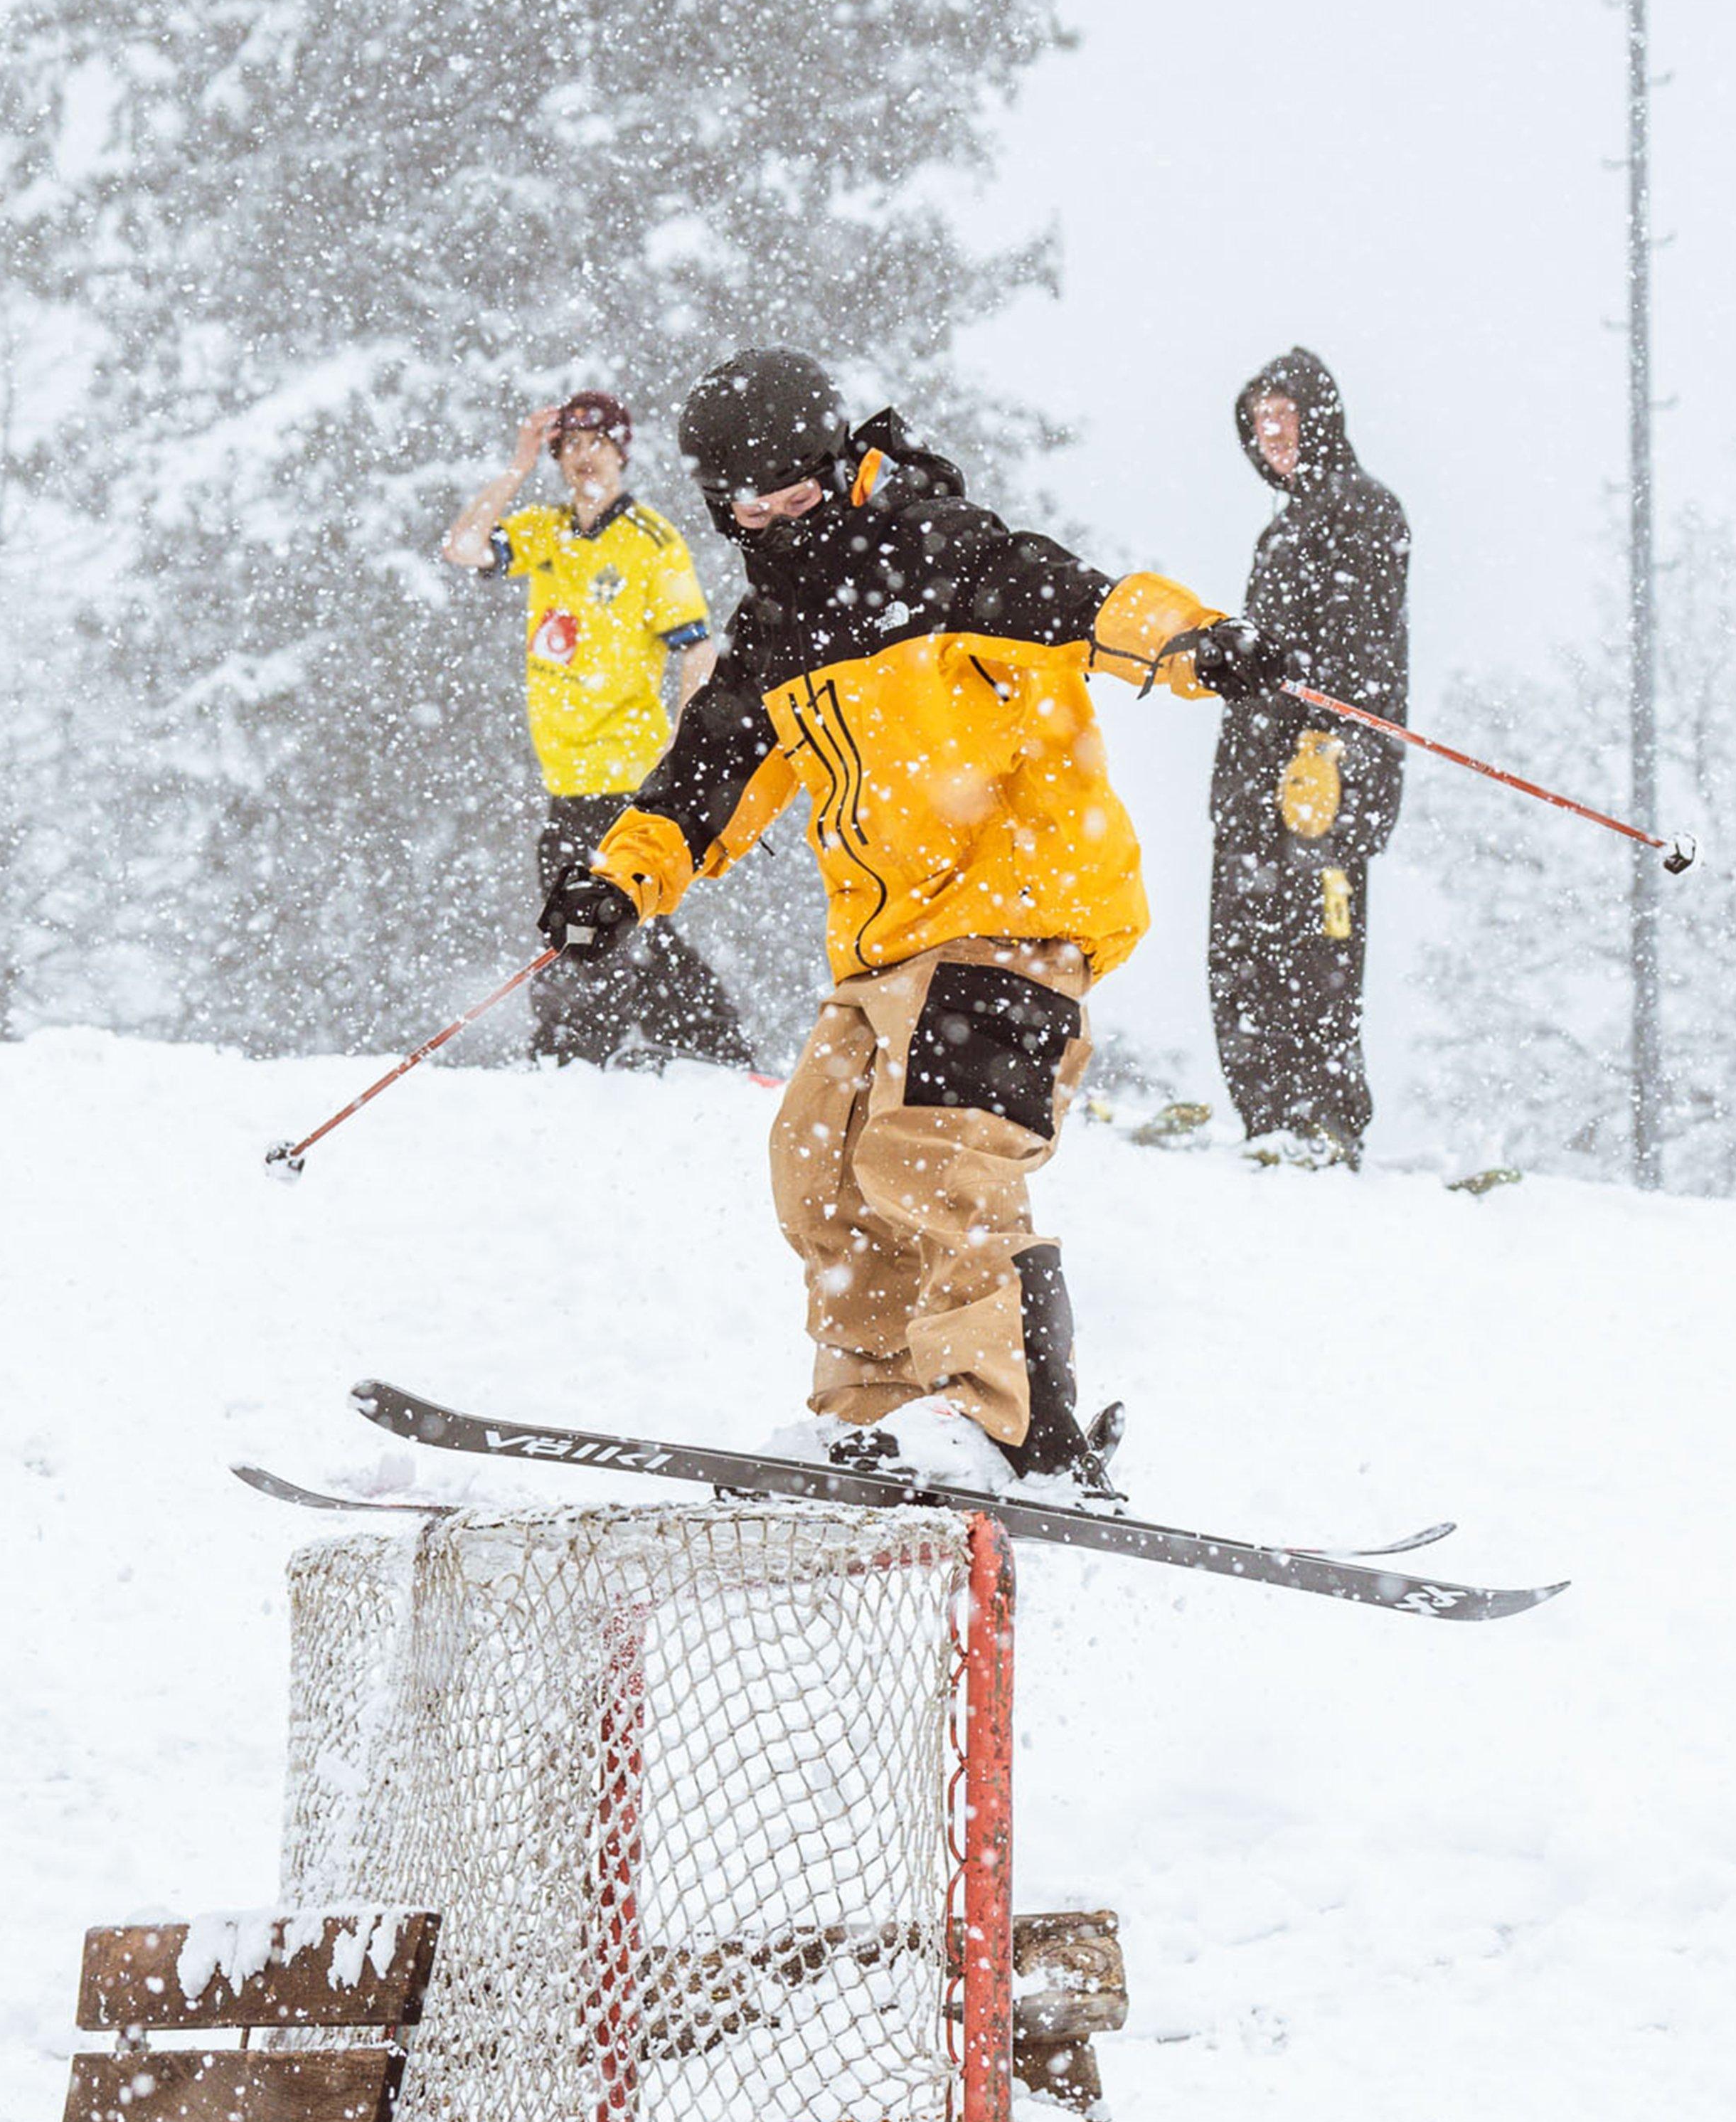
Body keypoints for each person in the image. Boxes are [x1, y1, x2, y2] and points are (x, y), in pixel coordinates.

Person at [536, 349, 1270, 1493]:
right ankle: (878, 1410)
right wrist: (618, 882)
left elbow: (1102, 606)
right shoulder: (779, 622)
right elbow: (704, 779)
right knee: (818, 1163)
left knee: (936, 1161)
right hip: (888, 953)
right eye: (744, 500)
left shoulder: (948, 555)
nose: (769, 516)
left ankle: (1015, 1426)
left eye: (790, 491)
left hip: (1013, 916)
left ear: (836, 467)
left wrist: (1193, 644)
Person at [442, 388, 752, 1068]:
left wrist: (685, 740)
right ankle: (710, 1043)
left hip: (625, 767)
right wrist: (518, 465)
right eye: (571, 447)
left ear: (622, 453)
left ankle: (575, 1053)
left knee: (583, 912)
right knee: (626, 913)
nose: (585, 460)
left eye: (598, 445)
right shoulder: (546, 530)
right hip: (567, 772)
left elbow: (697, 646)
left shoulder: (650, 541)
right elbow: (464, 547)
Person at [1207, 350, 1409, 1167]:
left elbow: (1369, 646)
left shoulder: (1364, 510)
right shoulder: (1281, 529)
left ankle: (1327, 1119)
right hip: (1254, 781)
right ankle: (1269, 1120)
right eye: (1260, 422)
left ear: (1320, 415)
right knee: (1242, 953)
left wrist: (1333, 748)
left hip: (1327, 778)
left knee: (1316, 956)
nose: (1273, 433)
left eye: (1286, 414)